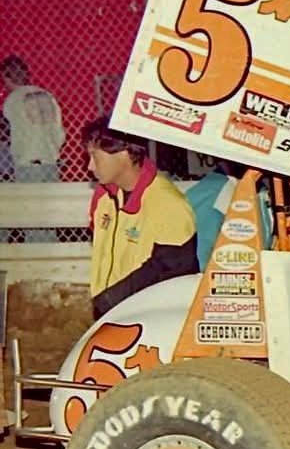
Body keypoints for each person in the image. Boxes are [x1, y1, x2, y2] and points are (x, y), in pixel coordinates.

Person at [85, 116, 199, 319]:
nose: (90, 167)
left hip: (149, 318)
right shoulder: (103, 197)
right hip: (111, 312)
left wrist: (111, 299)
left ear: (124, 153)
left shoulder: (169, 204)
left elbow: (173, 270)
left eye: (96, 157)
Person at [2, 54, 65, 242]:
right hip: (50, 161)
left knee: (32, 216)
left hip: (27, 163)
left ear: (6, 77)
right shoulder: (47, 94)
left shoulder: (13, 100)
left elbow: (10, 131)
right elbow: (60, 132)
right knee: (49, 215)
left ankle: (37, 257)